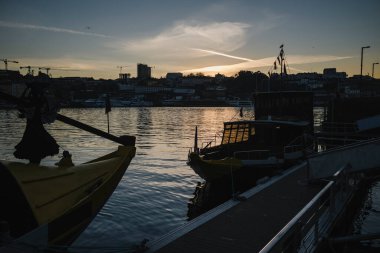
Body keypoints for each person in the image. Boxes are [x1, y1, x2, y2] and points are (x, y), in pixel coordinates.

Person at [14, 82, 59, 164]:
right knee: (37, 148)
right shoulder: (37, 101)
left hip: (33, 127)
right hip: (35, 127)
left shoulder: (35, 101)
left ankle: (33, 166)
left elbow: (21, 103)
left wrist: (28, 89)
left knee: (34, 148)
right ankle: (34, 166)